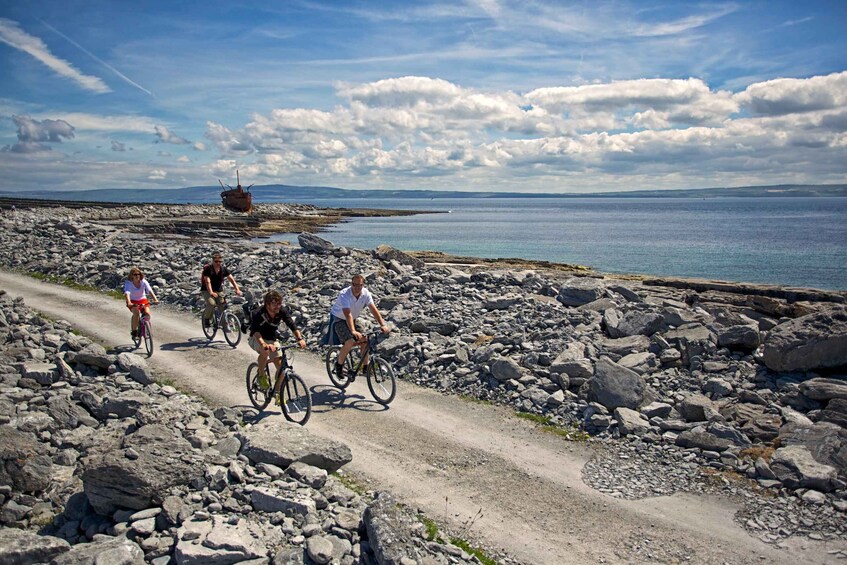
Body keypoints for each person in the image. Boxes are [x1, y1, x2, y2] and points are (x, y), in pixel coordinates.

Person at [330, 274, 389, 382]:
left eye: (360, 285)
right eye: (355, 285)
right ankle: (339, 365)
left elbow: (373, 309)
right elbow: (348, 314)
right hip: (339, 318)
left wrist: (382, 324)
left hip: (353, 318)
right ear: (351, 284)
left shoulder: (366, 293)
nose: (357, 287)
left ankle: (366, 368)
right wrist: (353, 331)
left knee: (365, 340)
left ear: (363, 285)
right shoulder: (344, 294)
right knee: (350, 341)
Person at [248, 290, 306, 387]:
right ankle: (261, 376)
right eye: (275, 304)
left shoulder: (281, 311)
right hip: (257, 338)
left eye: (279, 303)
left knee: (281, 366)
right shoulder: (258, 313)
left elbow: (292, 325)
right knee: (265, 351)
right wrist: (264, 344)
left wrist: (299, 338)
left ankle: (278, 392)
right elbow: (255, 332)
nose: (278, 306)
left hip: (272, 339)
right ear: (267, 304)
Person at [200, 252, 242, 326]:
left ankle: (224, 322)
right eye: (216, 261)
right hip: (207, 290)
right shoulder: (208, 269)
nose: (218, 263)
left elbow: (232, 280)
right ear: (212, 261)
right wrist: (211, 292)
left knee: (223, 306)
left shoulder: (223, 269)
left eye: (220, 261)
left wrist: (237, 289)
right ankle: (206, 319)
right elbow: (207, 282)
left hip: (219, 290)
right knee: (211, 304)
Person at [124, 267, 159, 338]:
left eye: (139, 274)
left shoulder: (143, 281)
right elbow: (127, 293)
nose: (137, 276)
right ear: (131, 276)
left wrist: (155, 299)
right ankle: (134, 332)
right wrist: (129, 302)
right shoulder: (128, 283)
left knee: (147, 314)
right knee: (136, 313)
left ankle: (145, 328)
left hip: (143, 300)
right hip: (133, 301)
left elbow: (149, 290)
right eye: (135, 274)